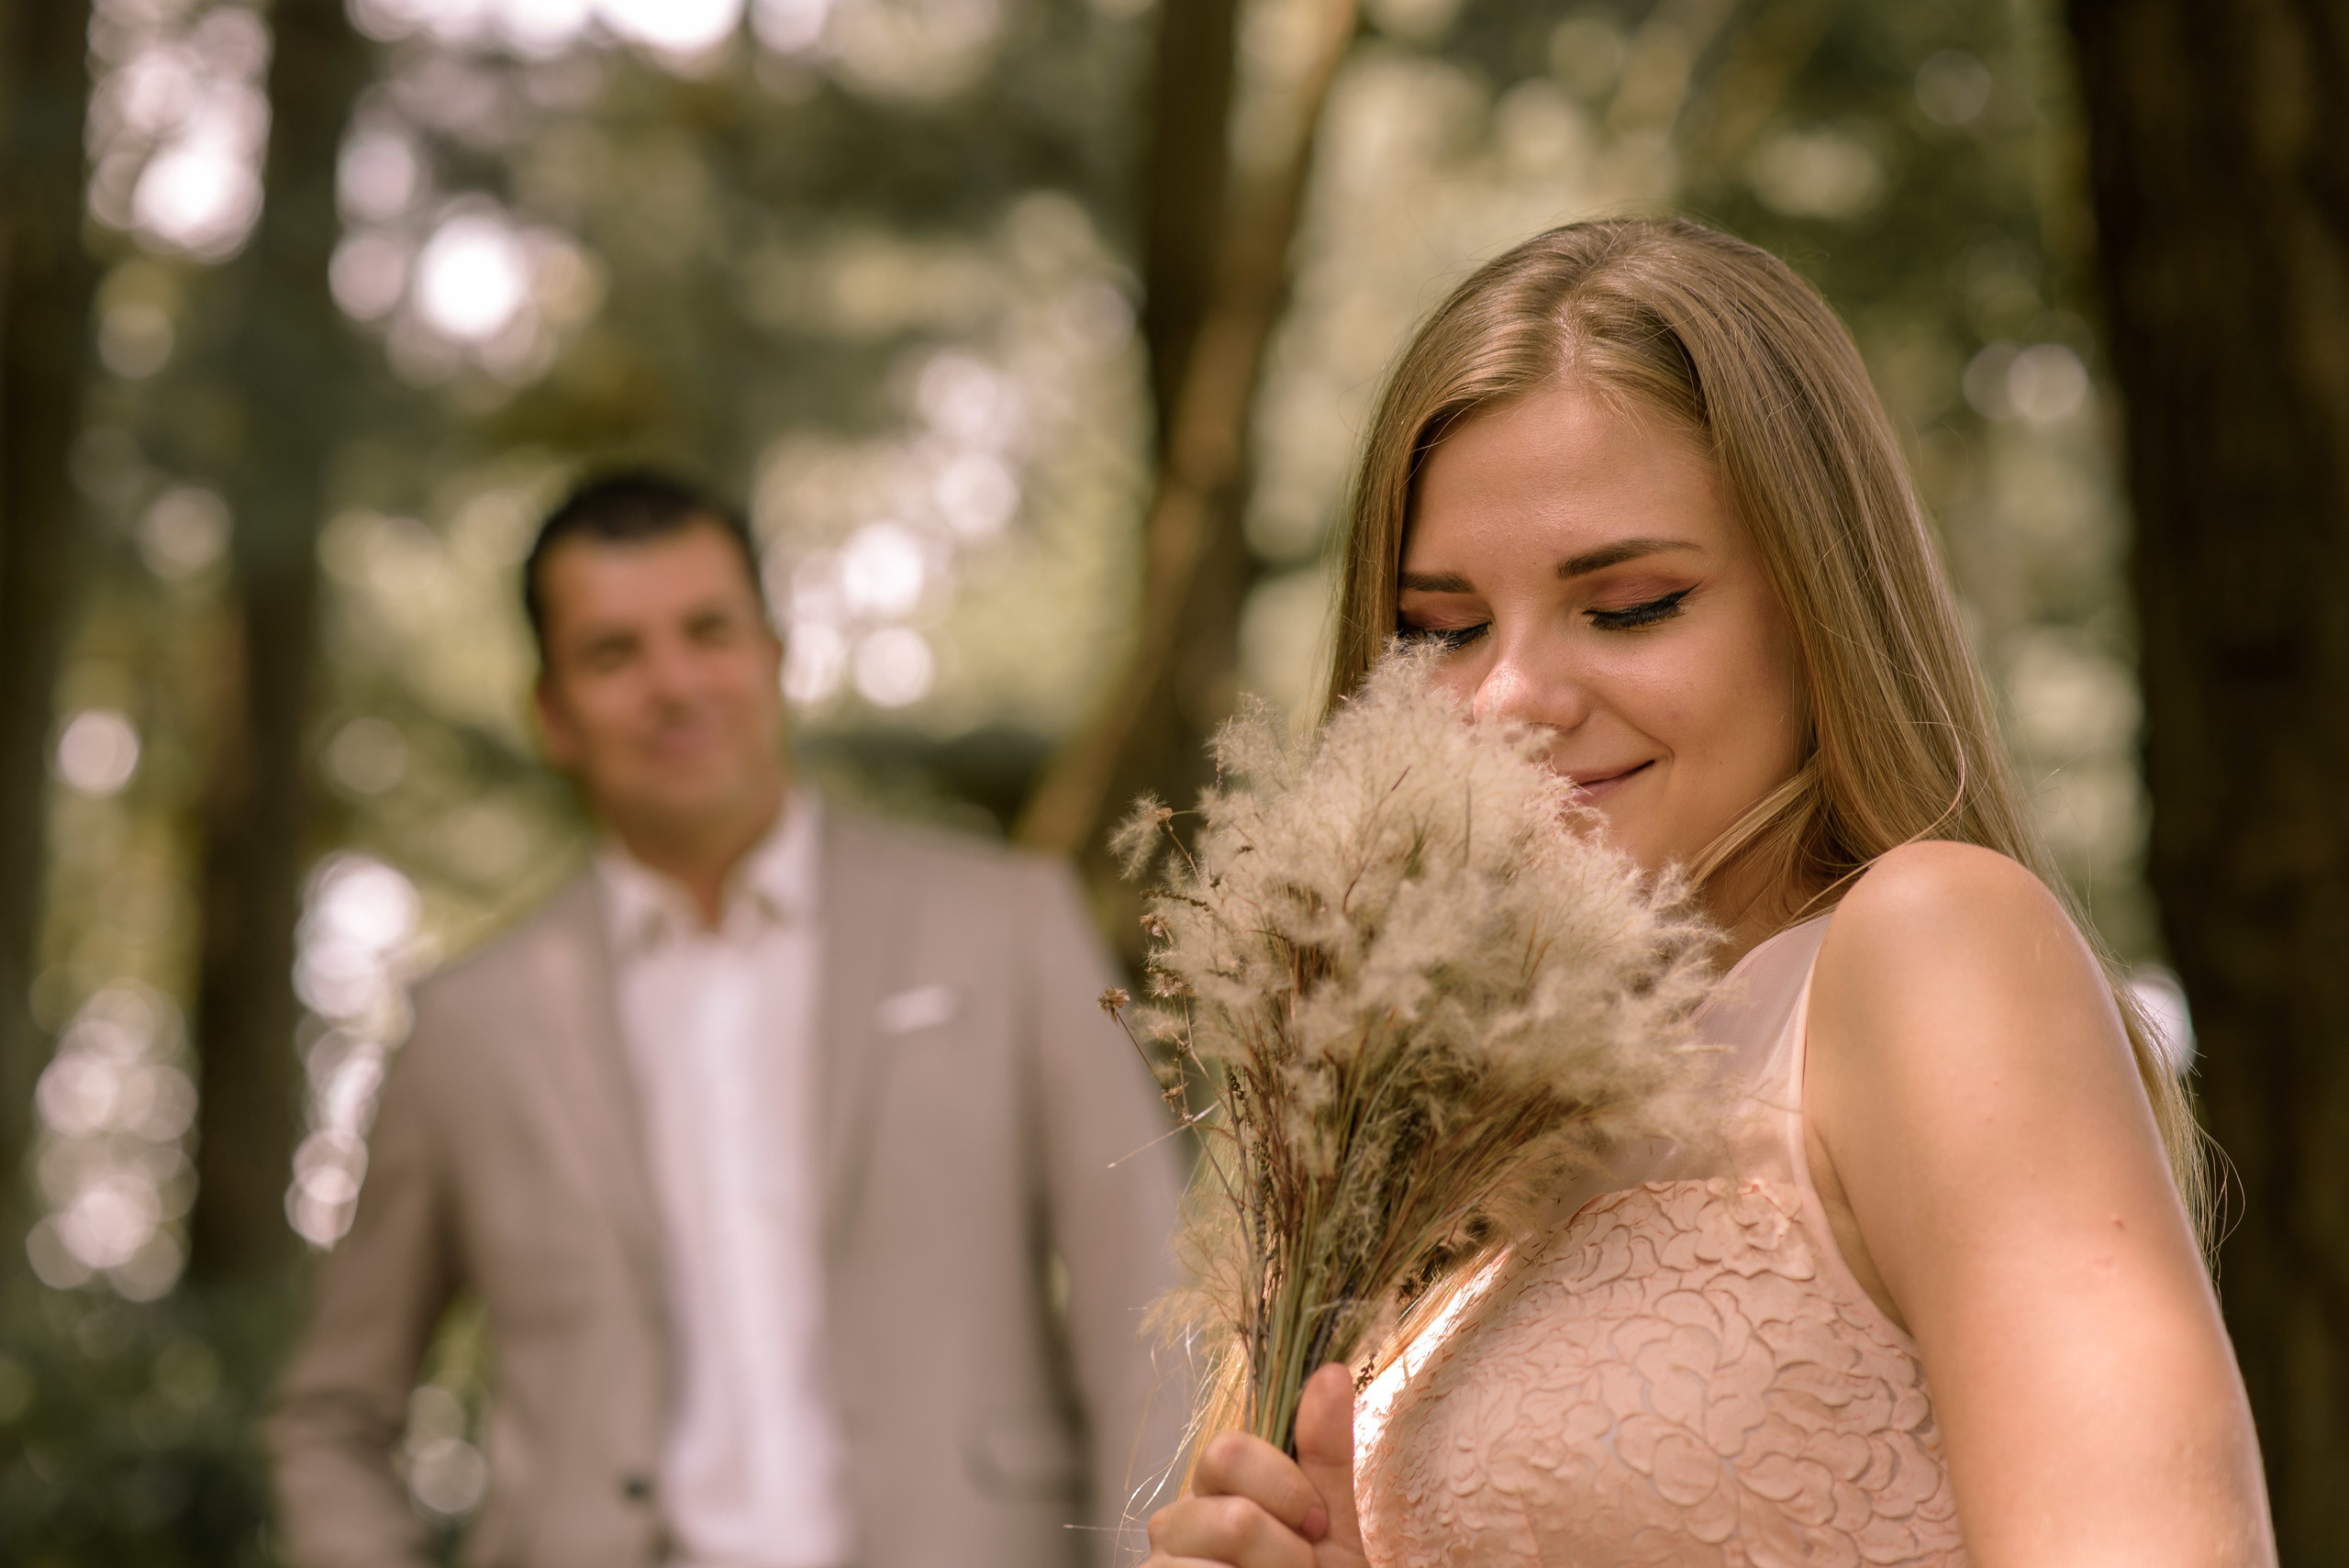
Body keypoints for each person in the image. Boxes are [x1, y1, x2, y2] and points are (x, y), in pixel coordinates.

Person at [1141, 219, 2275, 1565]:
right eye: (1440, 629)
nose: (1508, 696)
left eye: (1627, 604)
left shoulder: (1928, 949)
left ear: (1818, 606)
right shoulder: (1422, 1164)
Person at [269, 472, 1189, 1568]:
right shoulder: (468, 1025)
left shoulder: (1008, 928)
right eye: (614, 653)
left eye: (707, 630)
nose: (673, 683)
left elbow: (1154, 1314)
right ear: (552, 713)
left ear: (773, 653)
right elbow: (330, 1422)